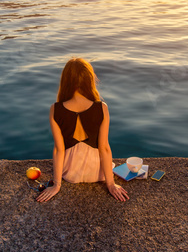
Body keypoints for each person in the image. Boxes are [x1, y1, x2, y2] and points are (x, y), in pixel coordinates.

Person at [36, 57, 129, 203]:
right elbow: (104, 148)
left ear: (65, 81)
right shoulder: (102, 108)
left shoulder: (55, 110)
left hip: (70, 174)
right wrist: (110, 184)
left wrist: (57, 184)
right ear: (89, 80)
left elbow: (58, 150)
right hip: (97, 173)